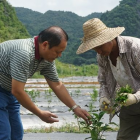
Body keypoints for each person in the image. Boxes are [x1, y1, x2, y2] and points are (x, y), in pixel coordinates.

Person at [0, 26, 91, 140]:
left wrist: (75, 108)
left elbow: (57, 85)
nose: (59, 56)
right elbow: (18, 91)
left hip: (9, 92)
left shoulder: (46, 59)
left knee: (16, 134)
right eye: (58, 51)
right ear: (45, 45)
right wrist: (39, 113)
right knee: (3, 134)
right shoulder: (23, 53)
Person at [76, 18, 140, 140]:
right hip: (129, 102)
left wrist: (136, 97)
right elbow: (103, 81)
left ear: (109, 38)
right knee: (124, 137)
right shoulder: (102, 56)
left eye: (100, 46)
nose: (99, 51)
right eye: (95, 49)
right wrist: (103, 97)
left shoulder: (135, 47)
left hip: (134, 97)